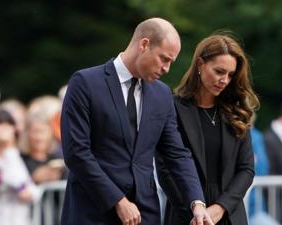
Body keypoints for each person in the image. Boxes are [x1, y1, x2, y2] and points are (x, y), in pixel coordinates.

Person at [60, 17, 212, 225]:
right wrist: (118, 201)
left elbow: (176, 153)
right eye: (164, 59)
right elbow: (76, 152)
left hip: (145, 213)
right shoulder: (86, 83)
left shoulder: (162, 94)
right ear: (144, 45)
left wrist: (197, 203)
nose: (167, 68)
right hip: (91, 211)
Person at [155, 32, 259, 225]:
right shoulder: (172, 107)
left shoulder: (237, 111)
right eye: (219, 71)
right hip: (185, 216)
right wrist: (195, 212)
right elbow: (166, 168)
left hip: (229, 216)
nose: (225, 80)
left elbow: (246, 169)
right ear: (200, 65)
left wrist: (221, 207)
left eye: (230, 75)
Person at [0, 109, 41, 225]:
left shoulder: (19, 156)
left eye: (7, 124)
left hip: (20, 217)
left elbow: (27, 190)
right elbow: (14, 180)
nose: (3, 128)